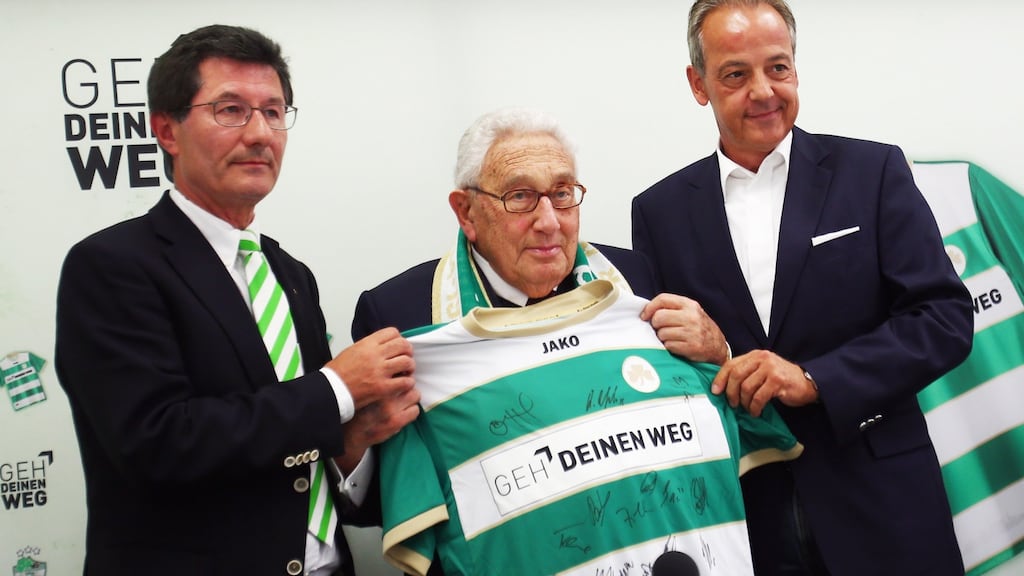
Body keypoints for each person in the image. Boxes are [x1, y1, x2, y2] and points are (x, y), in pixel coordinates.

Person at [352, 107, 801, 575]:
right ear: (466, 211)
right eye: (521, 196)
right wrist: (357, 440)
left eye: (563, 194)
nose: (550, 221)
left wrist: (719, 351)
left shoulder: (637, 279)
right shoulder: (400, 317)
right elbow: (381, 503)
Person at [55, 25, 419, 576]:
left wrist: (353, 444)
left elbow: (302, 441)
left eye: (274, 112)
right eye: (230, 110)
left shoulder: (290, 272)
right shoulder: (112, 266)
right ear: (167, 131)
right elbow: (157, 443)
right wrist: (337, 388)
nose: (260, 134)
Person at [631, 1, 974, 575]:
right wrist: (723, 357)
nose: (764, 91)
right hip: (747, 520)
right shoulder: (658, 211)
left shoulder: (874, 171)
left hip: (885, 503)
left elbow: (943, 318)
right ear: (698, 84)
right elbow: (660, 367)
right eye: (736, 74)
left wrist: (816, 379)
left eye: (778, 67)